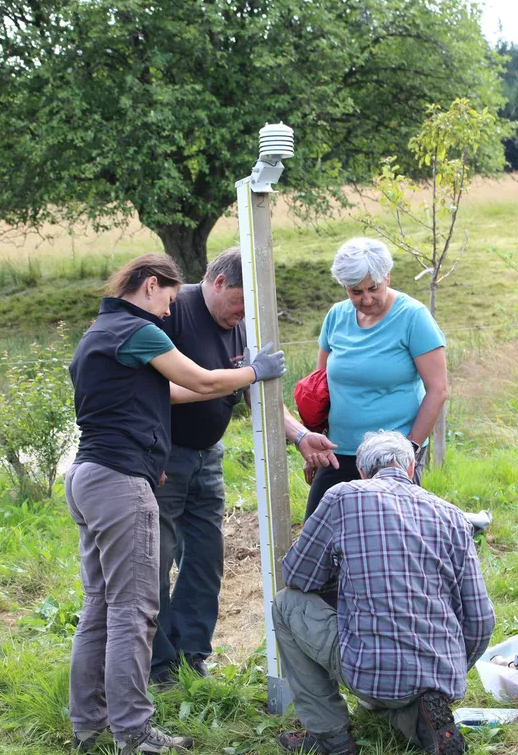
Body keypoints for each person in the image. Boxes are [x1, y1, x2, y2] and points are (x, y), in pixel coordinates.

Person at [66, 253, 285, 755]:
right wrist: (255, 372)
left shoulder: (100, 331)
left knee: (100, 604)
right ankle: (135, 732)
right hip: (120, 483)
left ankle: (89, 725)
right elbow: (203, 382)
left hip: (89, 475)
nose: (169, 310)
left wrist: (151, 452)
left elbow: (131, 404)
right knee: (133, 611)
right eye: (167, 297)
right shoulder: (136, 329)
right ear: (149, 285)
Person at [150, 247, 339, 686]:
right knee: (155, 559)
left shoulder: (241, 324)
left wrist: (299, 435)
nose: (242, 314)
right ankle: (158, 664)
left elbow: (256, 392)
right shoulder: (174, 310)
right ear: (218, 283)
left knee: (205, 556)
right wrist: (243, 376)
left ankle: (191, 653)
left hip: (207, 457)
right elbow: (163, 387)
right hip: (164, 458)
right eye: (238, 302)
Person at [273, 430, 495, 755]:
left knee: (286, 604)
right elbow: (481, 620)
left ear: (362, 472)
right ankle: (425, 713)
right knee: (402, 692)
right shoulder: (453, 517)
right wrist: (455, 667)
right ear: (411, 468)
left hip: (370, 671)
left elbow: (297, 576)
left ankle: (331, 738)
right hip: (441, 673)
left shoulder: (343, 496)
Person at [305, 237, 448, 519]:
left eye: (373, 288)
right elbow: (320, 386)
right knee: (318, 532)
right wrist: (314, 441)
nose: (366, 299)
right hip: (338, 450)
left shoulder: (413, 317)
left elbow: (438, 390)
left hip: (391, 457)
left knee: (390, 539)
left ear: (387, 277)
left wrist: (410, 449)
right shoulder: (336, 316)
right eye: (355, 291)